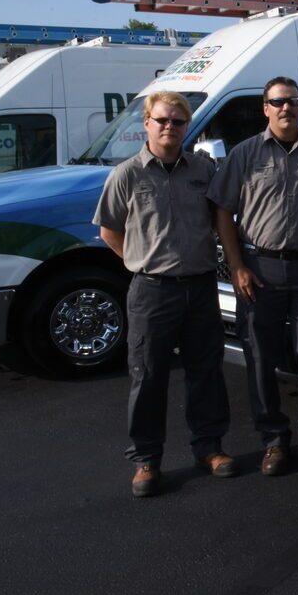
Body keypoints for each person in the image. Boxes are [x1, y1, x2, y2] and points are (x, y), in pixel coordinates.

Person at [208, 76, 298, 476]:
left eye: (292, 101)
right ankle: (274, 441)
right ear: (265, 108)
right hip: (259, 270)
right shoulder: (244, 154)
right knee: (259, 358)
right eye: (277, 102)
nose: (285, 108)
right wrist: (237, 264)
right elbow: (222, 210)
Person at [94, 91, 235, 498]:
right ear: (146, 124)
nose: (169, 127)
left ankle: (209, 449)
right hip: (152, 292)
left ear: (187, 126)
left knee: (206, 372)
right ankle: (146, 461)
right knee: (148, 377)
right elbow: (109, 231)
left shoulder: (203, 170)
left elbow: (219, 218)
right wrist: (141, 262)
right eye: (162, 120)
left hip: (201, 287)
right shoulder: (127, 175)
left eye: (177, 121)